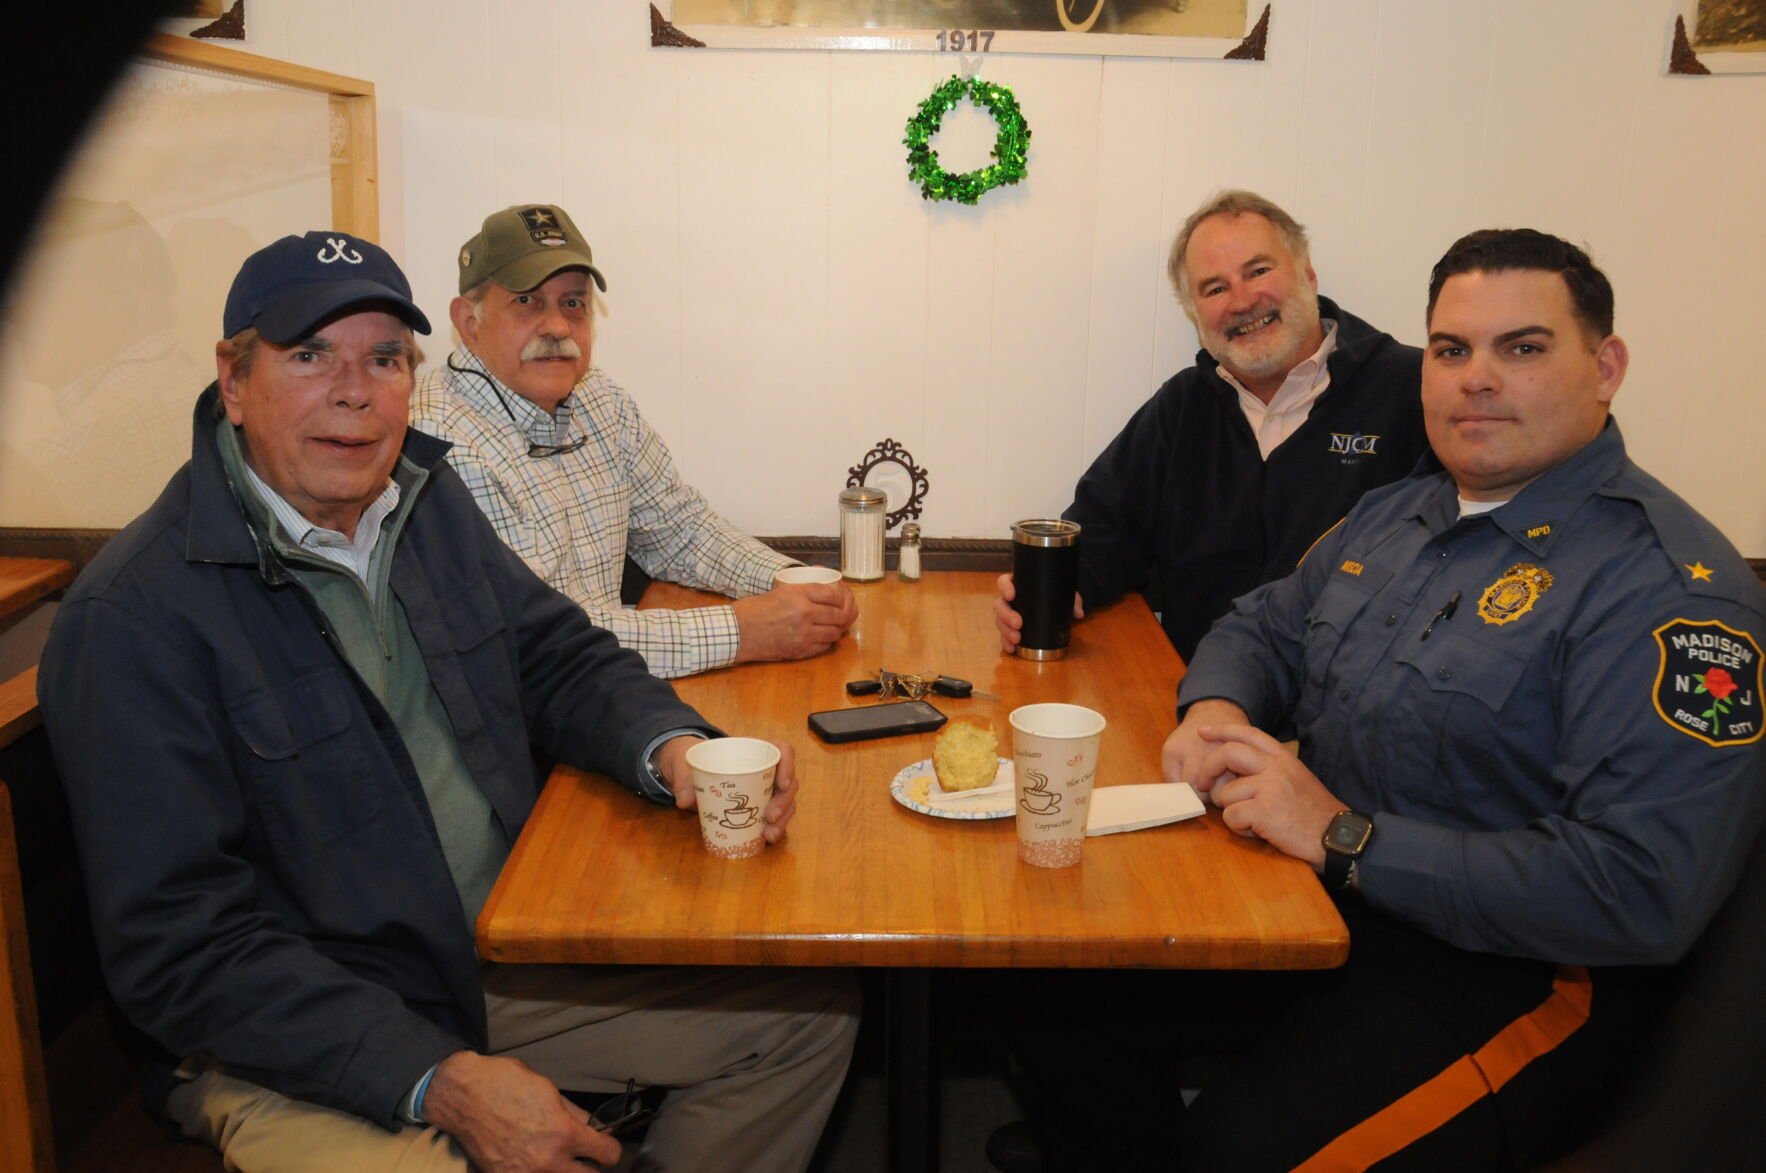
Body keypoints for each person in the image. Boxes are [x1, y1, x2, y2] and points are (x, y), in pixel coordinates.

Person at [37, 231, 859, 1173]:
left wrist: (669, 745)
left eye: (384, 358)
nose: (355, 391)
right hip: (288, 1033)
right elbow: (181, 949)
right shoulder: (133, 616)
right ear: (232, 379)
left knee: (807, 1017)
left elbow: (553, 654)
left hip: (481, 953)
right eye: (310, 356)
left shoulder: (424, 502)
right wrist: (438, 1076)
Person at [992, 228, 1766, 1172]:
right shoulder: (1399, 513)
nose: (1476, 378)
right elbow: (1260, 626)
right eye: (1451, 350)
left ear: (1605, 367)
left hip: (1509, 975)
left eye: (1521, 348)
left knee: (1239, 1150)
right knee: (1049, 1004)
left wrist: (1343, 837)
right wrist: (1217, 709)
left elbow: (1639, 891)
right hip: (1318, 908)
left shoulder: (1668, 589)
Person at [411, 203, 857, 679]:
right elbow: (544, 639)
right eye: (527, 301)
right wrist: (743, 631)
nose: (559, 327)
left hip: (605, 693)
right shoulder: (444, 443)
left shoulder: (598, 397)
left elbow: (676, 529)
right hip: (522, 725)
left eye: (572, 303)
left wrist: (793, 584)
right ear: (469, 322)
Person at [993, 190, 1430, 664]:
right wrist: (1053, 586)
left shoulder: (1415, 389)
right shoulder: (1182, 409)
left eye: (1259, 271)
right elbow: (1103, 531)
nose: (1242, 301)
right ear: (1194, 312)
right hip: (1199, 707)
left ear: (1307, 273)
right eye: (1215, 288)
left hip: (1353, 716)